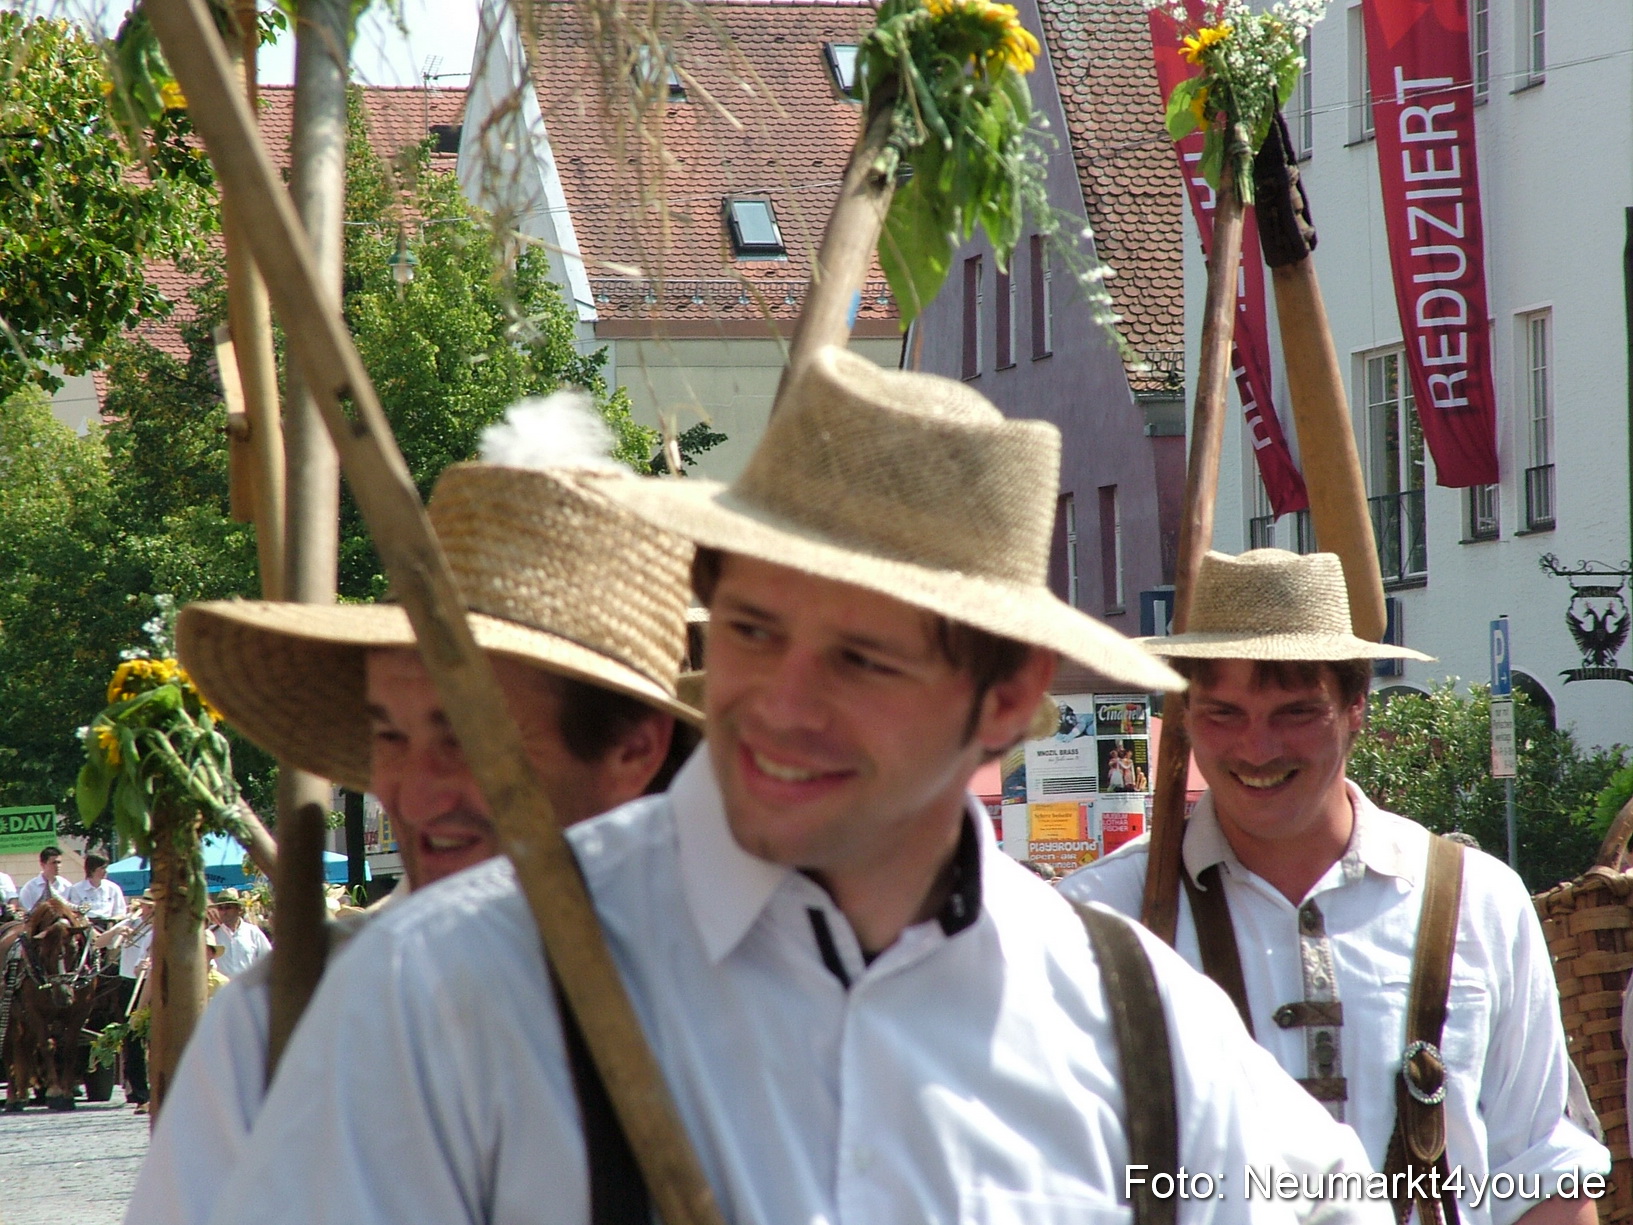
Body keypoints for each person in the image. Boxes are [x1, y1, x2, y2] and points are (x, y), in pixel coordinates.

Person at [209, 349, 1383, 1225]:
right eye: (753, 630)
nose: (777, 700)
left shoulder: (1129, 1017)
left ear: (1009, 697)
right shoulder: (454, 991)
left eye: (860, 658)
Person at [125, 393, 701, 1225]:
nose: (414, 792)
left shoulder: (758, 994)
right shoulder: (282, 1024)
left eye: (466, 736)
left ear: (631, 750)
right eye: (388, 734)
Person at [1062, 548, 1610, 1225]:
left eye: (1295, 712)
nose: (1256, 749)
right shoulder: (1095, 922)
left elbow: (1543, 1175)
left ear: (1355, 709)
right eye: (1223, 712)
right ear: (1182, 715)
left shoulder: (1478, 902)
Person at [96, 891, 155, 1110]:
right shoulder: (131, 922)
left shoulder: (160, 927)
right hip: (129, 982)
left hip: (150, 982)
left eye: (150, 906)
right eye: (145, 906)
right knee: (132, 1036)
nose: (146, 910)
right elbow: (98, 943)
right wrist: (117, 930)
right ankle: (138, 1090)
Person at [207, 889, 271, 979]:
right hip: (222, 989)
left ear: (239, 909)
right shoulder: (211, 934)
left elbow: (268, 960)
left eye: (228, 907)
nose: (224, 912)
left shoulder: (253, 932)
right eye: (220, 908)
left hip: (248, 989)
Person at [69, 854, 127, 922]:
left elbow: (120, 912)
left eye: (106, 868)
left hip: (109, 924)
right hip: (87, 925)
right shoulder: (77, 889)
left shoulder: (113, 888)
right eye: (102, 868)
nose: (106, 871)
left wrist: (111, 923)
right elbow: (75, 912)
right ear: (92, 870)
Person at [17, 845, 70, 912]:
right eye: (53, 863)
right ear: (43, 864)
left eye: (59, 862)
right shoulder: (29, 888)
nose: (57, 866)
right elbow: (26, 912)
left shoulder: (66, 886)